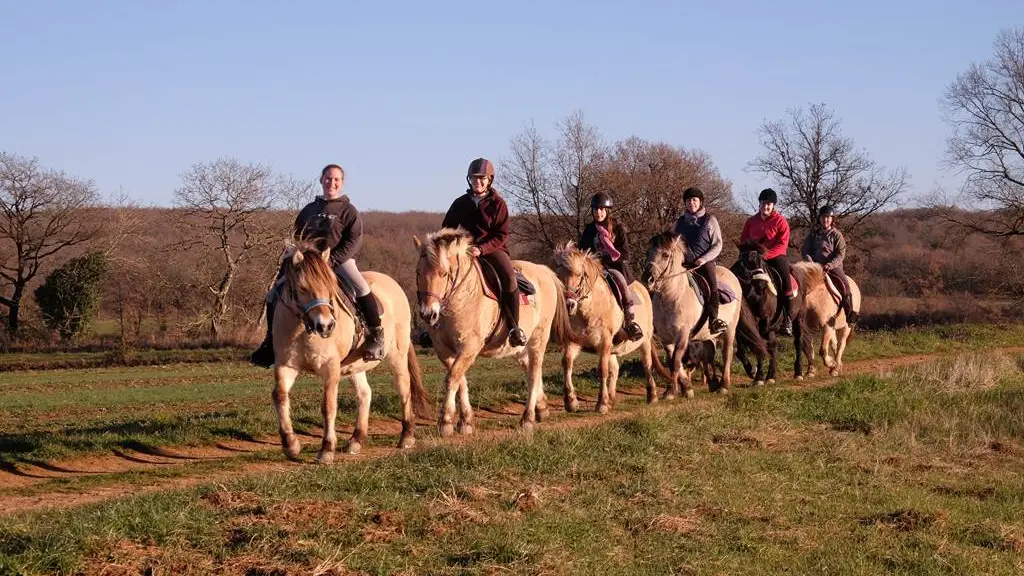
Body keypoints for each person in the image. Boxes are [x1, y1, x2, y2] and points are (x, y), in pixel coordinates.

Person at [249, 163, 385, 368]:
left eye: (336, 179)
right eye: (328, 178)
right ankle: (270, 341)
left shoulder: (348, 210)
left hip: (338, 261)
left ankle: (376, 335)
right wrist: (294, 255)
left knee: (362, 288)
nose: (332, 182)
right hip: (307, 265)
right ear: (321, 180)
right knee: (273, 293)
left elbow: (354, 241)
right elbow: (297, 236)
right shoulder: (309, 209)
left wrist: (332, 260)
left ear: (342, 183)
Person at [441, 158, 527, 347]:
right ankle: (435, 325)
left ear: (490, 180)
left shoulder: (498, 204)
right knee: (439, 275)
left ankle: (514, 328)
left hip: (493, 250)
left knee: (509, 278)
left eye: (482, 178)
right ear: (469, 179)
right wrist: (452, 245)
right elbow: (447, 228)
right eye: (474, 178)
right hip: (464, 251)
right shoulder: (460, 203)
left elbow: (502, 234)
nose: (477, 182)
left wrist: (482, 249)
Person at [579, 192, 643, 340]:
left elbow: (625, 253)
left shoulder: (617, 228)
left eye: (602, 209)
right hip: (594, 268)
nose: (598, 212)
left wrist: (605, 258)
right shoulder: (589, 230)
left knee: (621, 282)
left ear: (607, 211)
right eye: (595, 209)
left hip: (615, 267)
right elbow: (583, 251)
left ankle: (630, 321)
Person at [739, 188, 797, 336]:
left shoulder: (780, 221)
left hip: (775, 256)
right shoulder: (751, 221)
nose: (765, 207)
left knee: (785, 277)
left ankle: (788, 319)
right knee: (737, 272)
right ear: (759, 204)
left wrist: (766, 255)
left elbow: (782, 244)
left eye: (769, 204)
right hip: (754, 258)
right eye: (763, 203)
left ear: (773, 205)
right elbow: (744, 240)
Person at [673, 186, 727, 336]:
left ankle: (714, 320)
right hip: (683, 263)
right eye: (688, 200)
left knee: (712, 284)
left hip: (703, 262)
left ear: (700, 202)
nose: (691, 203)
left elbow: (718, 245)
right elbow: (673, 243)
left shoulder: (710, 220)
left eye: (694, 200)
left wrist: (704, 259)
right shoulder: (679, 222)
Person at [801, 205, 858, 324]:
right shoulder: (813, 235)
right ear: (820, 219)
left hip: (832, 267)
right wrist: (811, 263)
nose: (825, 220)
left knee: (845, 285)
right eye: (823, 217)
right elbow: (805, 250)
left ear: (832, 219)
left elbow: (840, 254)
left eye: (828, 217)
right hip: (814, 267)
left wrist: (830, 265)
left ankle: (849, 313)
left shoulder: (837, 235)